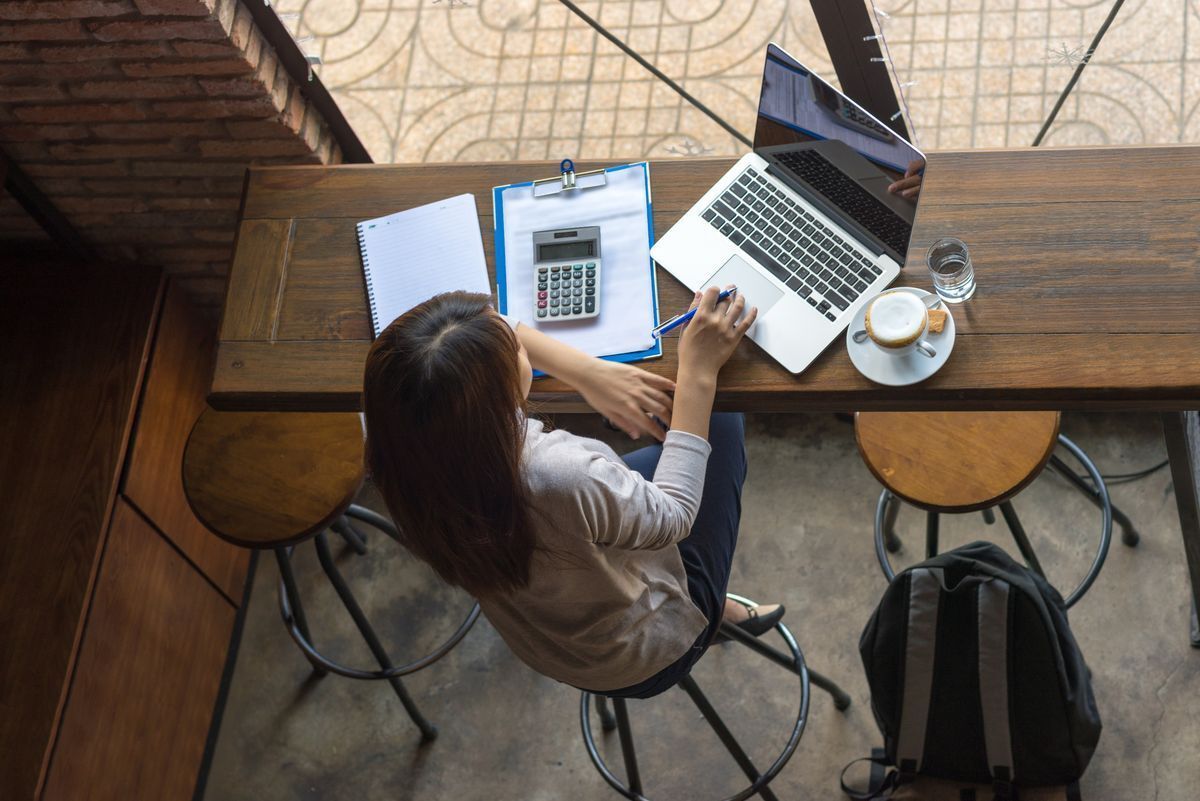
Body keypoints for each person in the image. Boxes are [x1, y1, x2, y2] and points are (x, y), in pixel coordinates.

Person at [362, 287, 783, 698]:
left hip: (552, 641)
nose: (516, 335)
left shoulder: (406, 454)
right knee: (719, 417)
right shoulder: (557, 473)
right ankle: (702, 612)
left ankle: (698, 603)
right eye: (514, 349)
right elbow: (673, 516)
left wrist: (589, 373)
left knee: (667, 451)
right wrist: (698, 371)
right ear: (498, 397)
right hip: (644, 656)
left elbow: (494, 334)